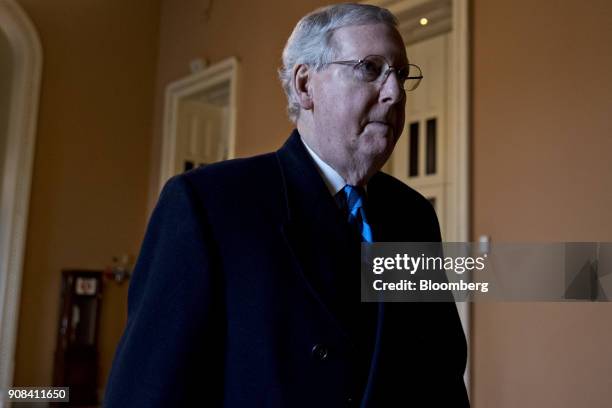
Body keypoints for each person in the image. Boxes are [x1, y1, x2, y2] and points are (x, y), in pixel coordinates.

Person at [104, 3, 468, 407]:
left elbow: (442, 377)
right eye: (370, 68)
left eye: (400, 73)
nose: (394, 92)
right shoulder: (208, 205)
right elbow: (146, 394)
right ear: (305, 85)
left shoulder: (413, 216)